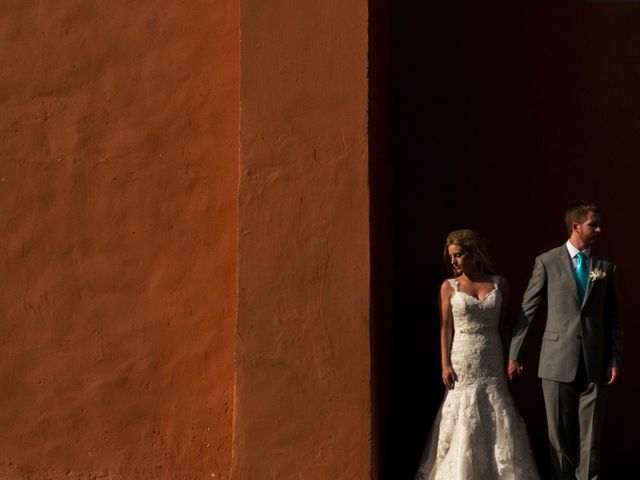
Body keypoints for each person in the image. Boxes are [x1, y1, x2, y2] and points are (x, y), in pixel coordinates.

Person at [508, 201, 622, 479]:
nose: (599, 229)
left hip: (595, 363)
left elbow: (613, 318)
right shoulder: (547, 261)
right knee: (558, 441)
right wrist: (515, 354)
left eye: (598, 223)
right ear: (576, 226)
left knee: (591, 440)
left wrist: (615, 359)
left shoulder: (606, 266)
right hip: (556, 361)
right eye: (592, 224)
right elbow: (529, 310)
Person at [415, 230, 539, 480]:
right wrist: (444, 364)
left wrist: (511, 357)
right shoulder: (449, 287)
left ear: (473, 254)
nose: (453, 261)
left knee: (497, 408)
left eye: (458, 255)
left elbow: (504, 325)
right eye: (451, 256)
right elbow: (445, 327)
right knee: (463, 413)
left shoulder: (499, 284)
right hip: (462, 359)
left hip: (492, 356)